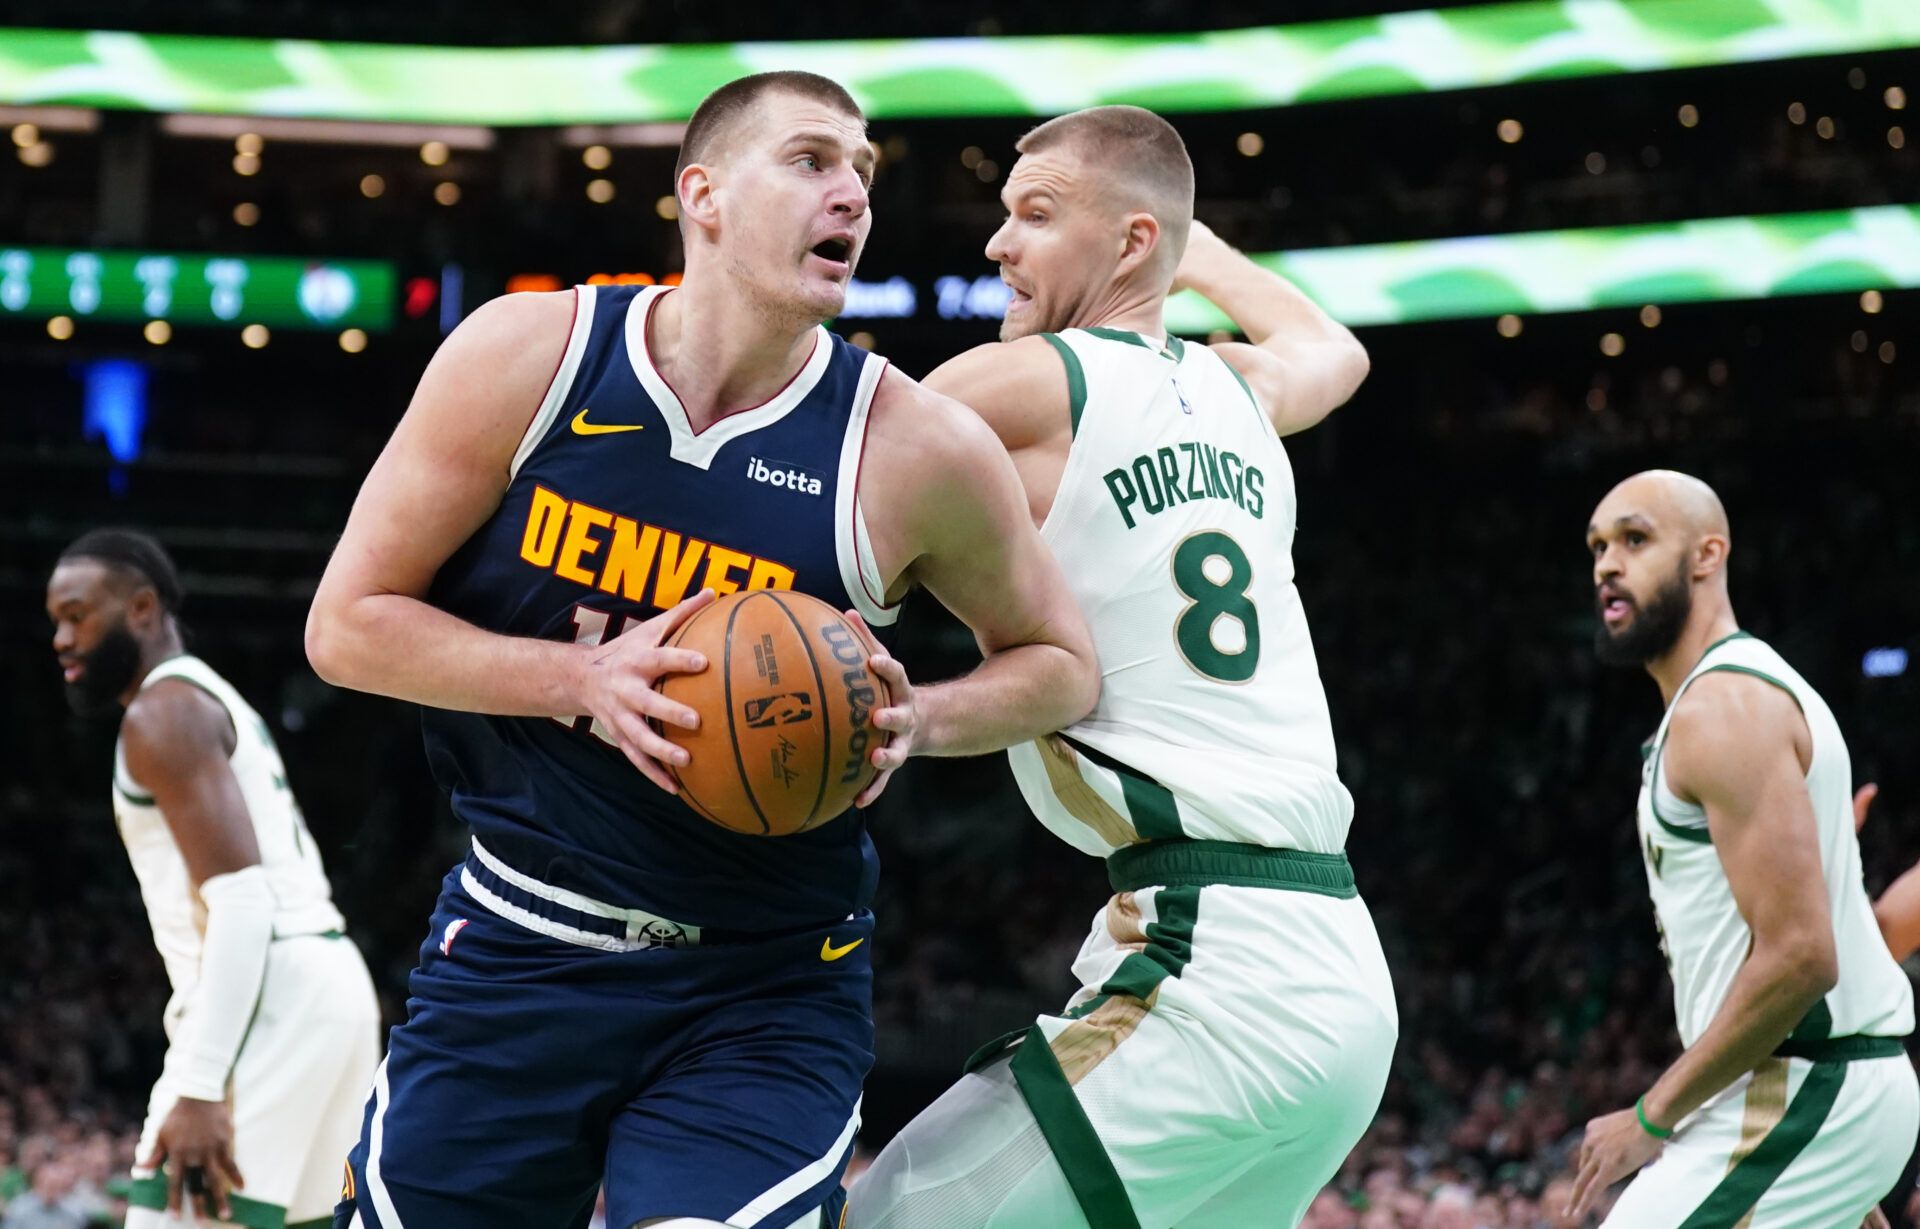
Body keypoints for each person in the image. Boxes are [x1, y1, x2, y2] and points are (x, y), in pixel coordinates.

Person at [306, 71, 1099, 1229]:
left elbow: (1060, 663)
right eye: (812, 160)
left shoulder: (917, 445)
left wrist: (921, 717)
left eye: (864, 174)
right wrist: (580, 680)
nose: (851, 195)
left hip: (764, 983)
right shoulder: (533, 355)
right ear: (703, 194)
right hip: (523, 941)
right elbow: (349, 624)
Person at [848, 105, 1395, 1228]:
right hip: (1339, 963)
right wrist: (1199, 248)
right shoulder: (1240, 392)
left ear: (1134, 242)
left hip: (1214, 962)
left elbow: (823, 463)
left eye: (1035, 215)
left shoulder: (1033, 381)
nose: (998, 243)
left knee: (896, 1211)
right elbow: (1337, 349)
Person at [1569, 471, 1918, 1227]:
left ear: (1707, 554)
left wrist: (1650, 1118)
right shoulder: (1729, 699)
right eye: (1597, 546)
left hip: (1803, 1082)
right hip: (1811, 1091)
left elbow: (1801, 955)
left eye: (1634, 538)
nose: (1605, 564)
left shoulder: (1724, 707)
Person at [45, 529, 378, 1229]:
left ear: (141, 608)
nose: (62, 638)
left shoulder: (161, 712)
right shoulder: (208, 696)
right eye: (56, 621)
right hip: (327, 983)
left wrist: (199, 1083)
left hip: (270, 987)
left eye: (78, 615)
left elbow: (242, 901)